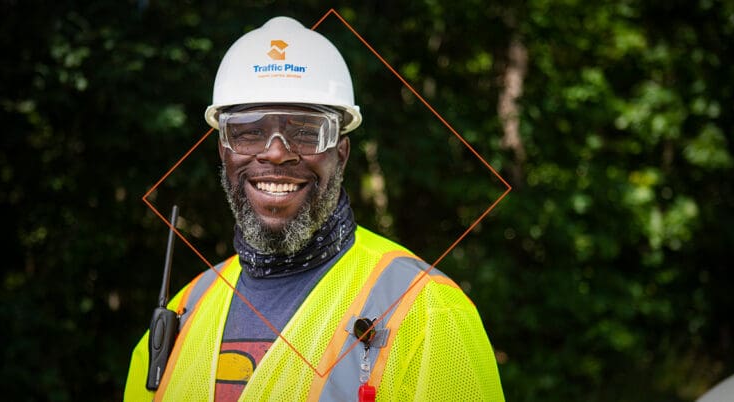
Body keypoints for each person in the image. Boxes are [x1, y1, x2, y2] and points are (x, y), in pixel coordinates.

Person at [124, 15, 505, 402]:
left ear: (341, 153)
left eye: (306, 131)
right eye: (249, 131)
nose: (276, 152)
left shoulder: (429, 312)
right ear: (224, 151)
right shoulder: (181, 314)